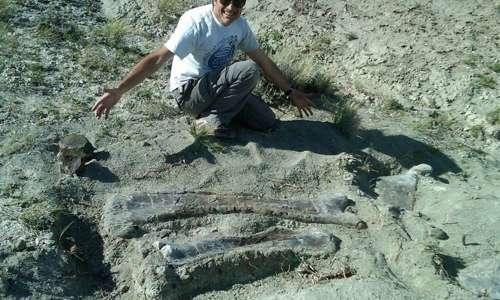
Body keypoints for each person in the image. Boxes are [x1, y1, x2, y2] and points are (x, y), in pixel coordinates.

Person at [92, 0, 313, 138]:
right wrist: (119, 90)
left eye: (238, 2)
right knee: (248, 70)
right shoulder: (195, 21)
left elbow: (265, 60)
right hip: (189, 92)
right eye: (225, 0)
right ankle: (210, 121)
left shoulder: (241, 26)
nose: (231, 8)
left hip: (217, 88)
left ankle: (217, 115)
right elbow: (158, 58)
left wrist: (290, 92)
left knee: (267, 121)